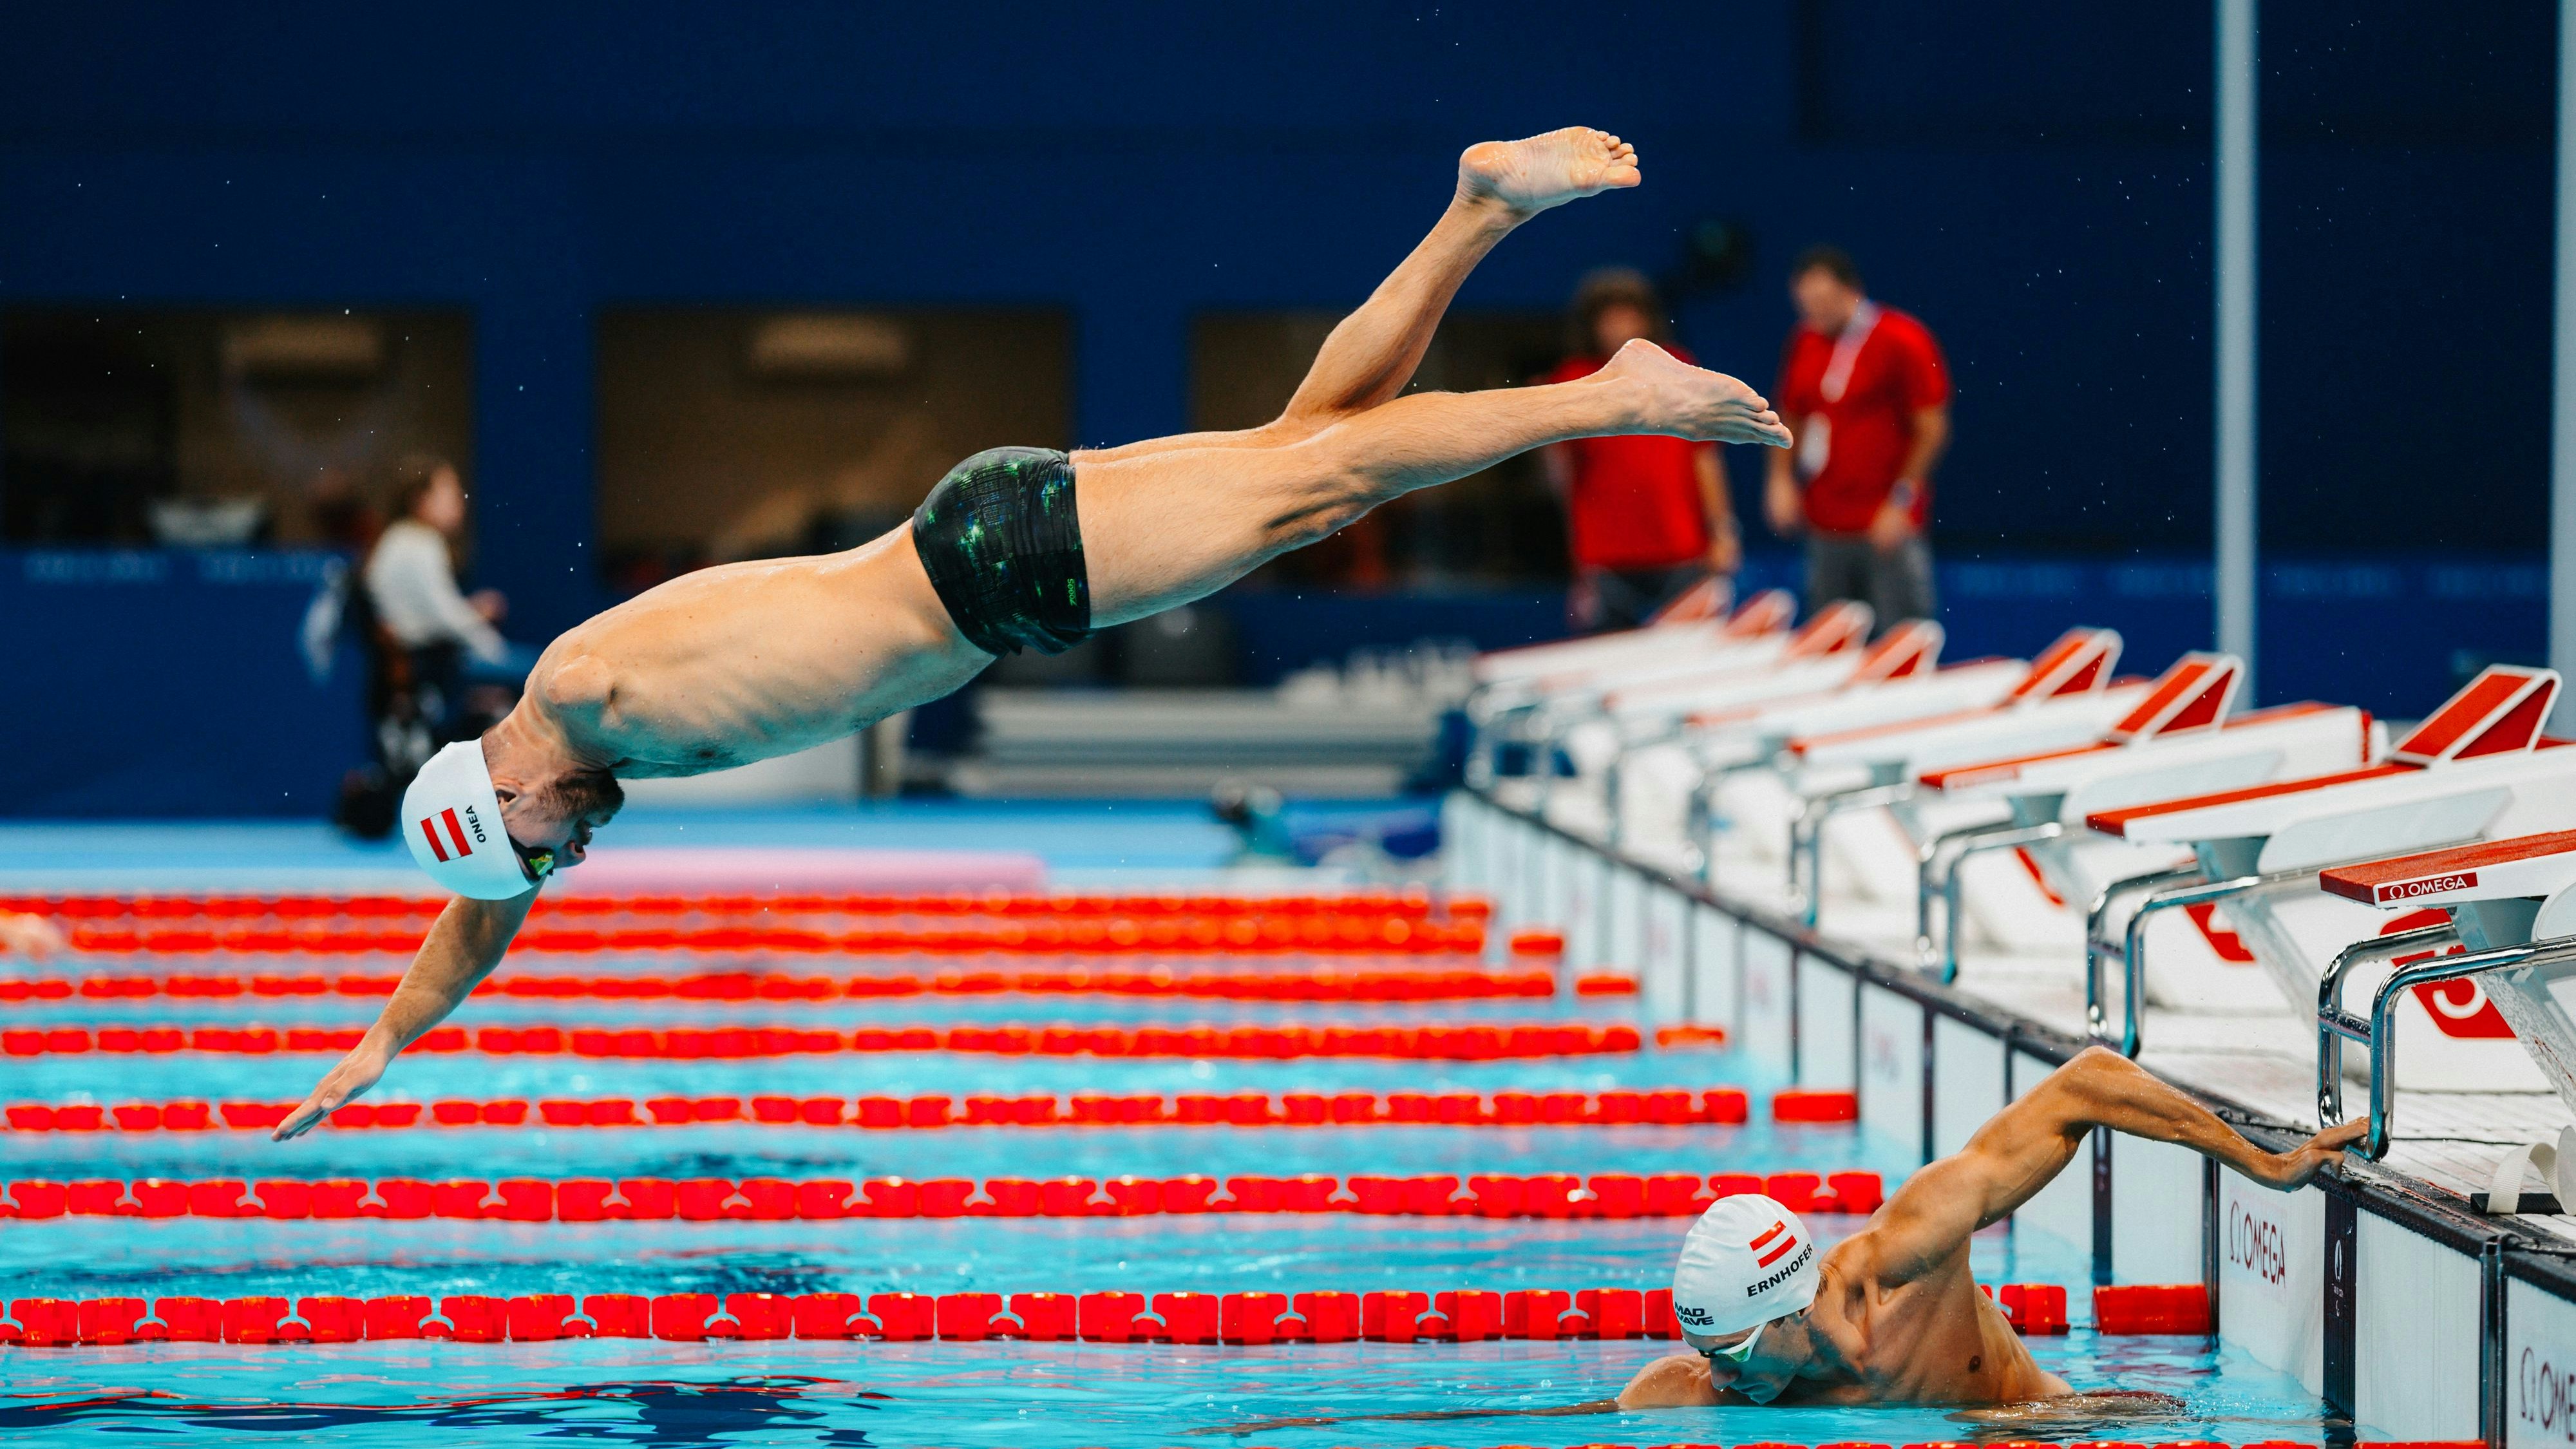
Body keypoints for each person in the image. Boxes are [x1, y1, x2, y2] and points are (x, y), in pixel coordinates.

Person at [271, 127, 1794, 1141]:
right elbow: (482, 907)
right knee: (1310, 453)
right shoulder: (563, 742)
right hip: (981, 554)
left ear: (507, 793)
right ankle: (1478, 208)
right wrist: (385, 1039)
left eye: (542, 848)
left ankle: (1613, 391)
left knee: (1313, 478)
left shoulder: (583, 694)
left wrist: (1610, 408)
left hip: (990, 568)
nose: (566, 866)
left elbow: (493, 857)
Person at [1620, 1046, 2360, 1408]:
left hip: (2051, 1423)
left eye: (1733, 1352)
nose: (1717, 1375)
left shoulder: (1910, 1256)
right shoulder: (1697, 1390)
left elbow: (2085, 1083)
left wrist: (2263, 1165)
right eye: (1706, 1353)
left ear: (1787, 1308)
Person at [1762, 245, 1951, 630]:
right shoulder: (1805, 339)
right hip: (1825, 520)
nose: (1815, 312)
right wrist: (1780, 480)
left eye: (1823, 301)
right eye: (1805, 304)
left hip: (1884, 521)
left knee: (1900, 636)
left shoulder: (1903, 338)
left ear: (1853, 291)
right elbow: (1791, 416)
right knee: (1829, 638)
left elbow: (1932, 429)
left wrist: (1901, 501)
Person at [1542, 269, 1739, 632]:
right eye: (1609, 316)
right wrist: (1579, 560)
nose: (1620, 324)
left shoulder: (1679, 367)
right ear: (1592, 323)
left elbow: (1705, 457)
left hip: (1681, 548)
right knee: (1610, 662)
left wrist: (1723, 531)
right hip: (1607, 555)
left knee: (1687, 662)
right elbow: (1563, 478)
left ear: (1647, 319)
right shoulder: (1573, 379)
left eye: (1629, 313)